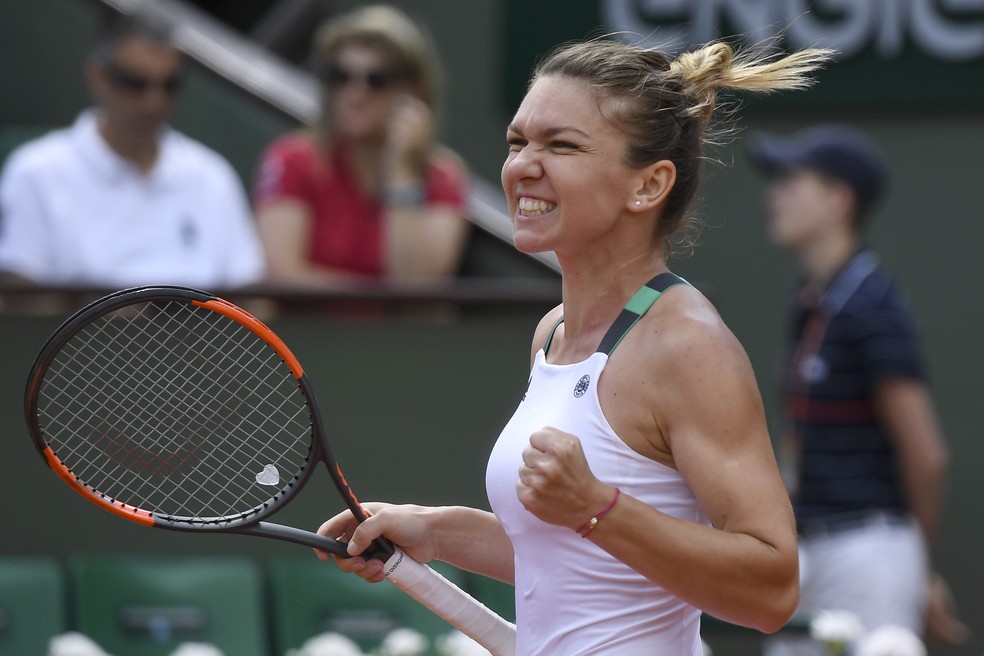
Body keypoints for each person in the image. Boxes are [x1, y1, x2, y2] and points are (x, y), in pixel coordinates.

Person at [315, 36, 833, 655]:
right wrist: (436, 531)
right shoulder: (555, 332)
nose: (523, 166)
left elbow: (771, 590)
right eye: (518, 142)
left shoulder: (687, 346)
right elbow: (582, 568)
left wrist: (596, 506)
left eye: (560, 145)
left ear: (647, 186)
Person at [746, 125, 969, 655]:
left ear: (838, 200)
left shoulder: (872, 306)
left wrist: (911, 563)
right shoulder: (809, 302)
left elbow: (927, 456)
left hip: (868, 553)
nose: (774, 195)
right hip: (805, 551)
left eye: (791, 181)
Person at [0, 14, 264, 289]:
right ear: (98, 77)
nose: (154, 101)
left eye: (169, 85)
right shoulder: (34, 171)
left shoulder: (212, 175)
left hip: (200, 333)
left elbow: (249, 292)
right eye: (135, 83)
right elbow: (21, 299)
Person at [252, 5, 470, 285]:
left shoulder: (444, 176)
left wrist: (401, 170)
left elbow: (418, 289)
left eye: (376, 80)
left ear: (414, 90)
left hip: (400, 332)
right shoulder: (291, 160)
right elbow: (285, 277)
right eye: (341, 76)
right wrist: (383, 297)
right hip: (307, 330)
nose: (355, 94)